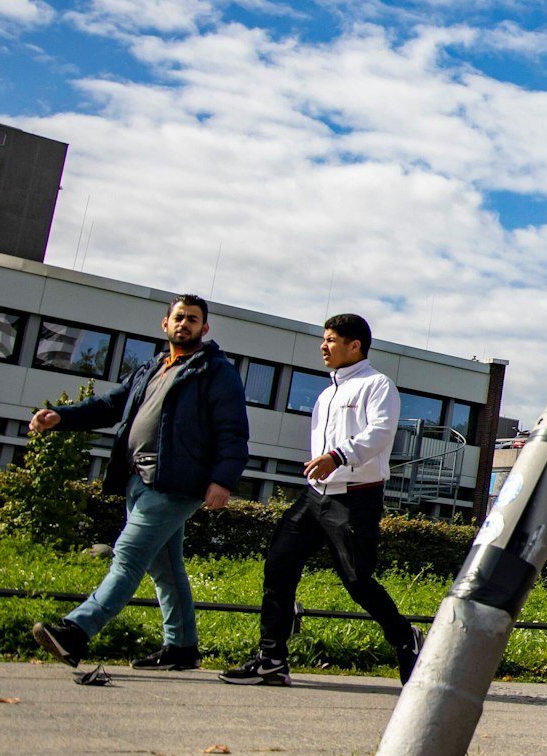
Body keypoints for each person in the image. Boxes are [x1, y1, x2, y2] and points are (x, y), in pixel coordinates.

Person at [28, 294, 248, 673]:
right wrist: (60, 418)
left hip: (178, 484)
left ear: (204, 328)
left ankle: (76, 631)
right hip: (140, 478)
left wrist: (222, 480)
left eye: (193, 319)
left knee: (127, 555)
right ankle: (182, 647)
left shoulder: (214, 370)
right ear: (165, 324)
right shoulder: (152, 367)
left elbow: (232, 430)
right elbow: (109, 406)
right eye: (179, 317)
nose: (185, 324)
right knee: (165, 566)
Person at [220, 314, 421, 687]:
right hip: (315, 497)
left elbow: (380, 433)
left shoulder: (378, 385)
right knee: (279, 566)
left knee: (357, 580)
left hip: (355, 499)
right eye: (324, 339)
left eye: (330, 339)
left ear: (354, 345)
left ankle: (405, 638)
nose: (323, 346)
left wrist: (338, 456)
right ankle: (271, 660)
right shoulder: (328, 392)